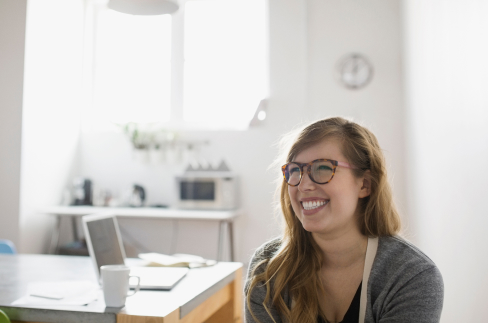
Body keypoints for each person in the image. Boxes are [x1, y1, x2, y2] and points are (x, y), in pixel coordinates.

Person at [244, 117, 444, 323]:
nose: (303, 186)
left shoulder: (410, 276)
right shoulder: (268, 268)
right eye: (295, 171)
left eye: (322, 168)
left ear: (365, 184)